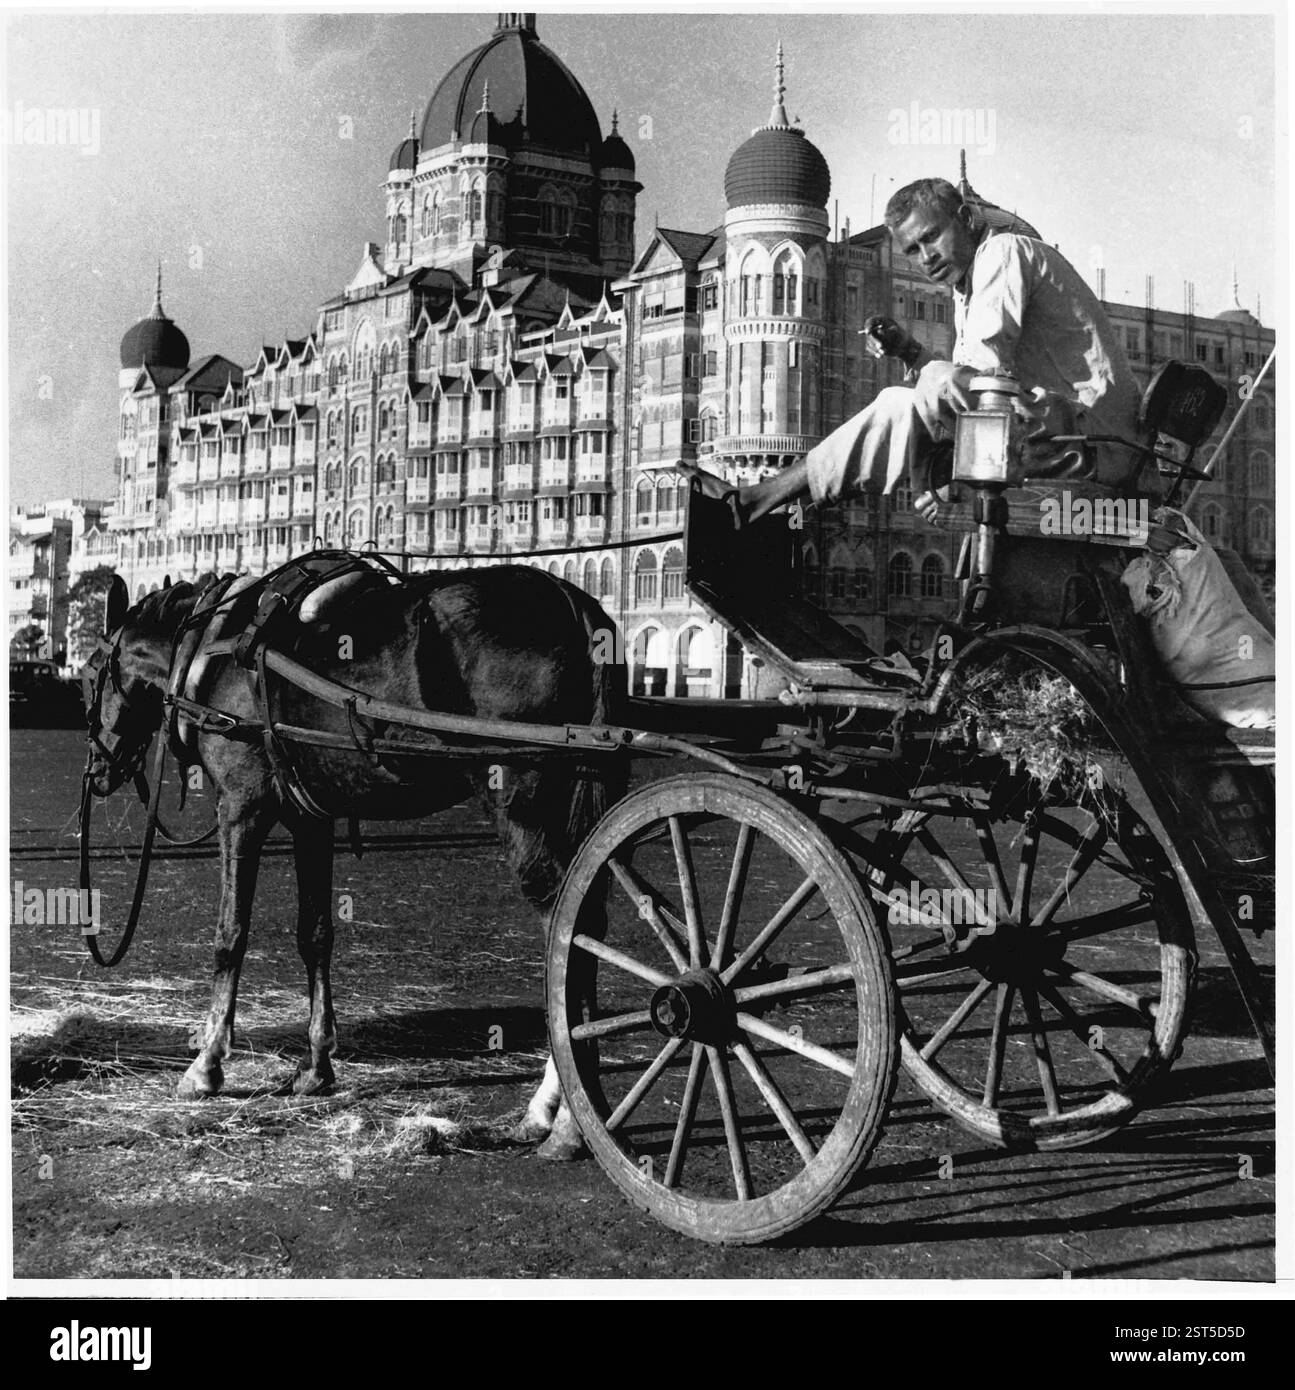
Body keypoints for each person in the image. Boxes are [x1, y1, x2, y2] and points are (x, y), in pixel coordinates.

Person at [680, 177, 1144, 525]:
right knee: (915, 395)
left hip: (1090, 441)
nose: (927, 257)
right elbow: (967, 388)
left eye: (932, 237)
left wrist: (941, 475)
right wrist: (909, 351)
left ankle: (760, 500)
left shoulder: (1003, 252)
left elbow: (975, 378)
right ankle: (771, 502)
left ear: (966, 219)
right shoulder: (969, 283)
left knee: (914, 394)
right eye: (913, 249)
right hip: (1059, 433)